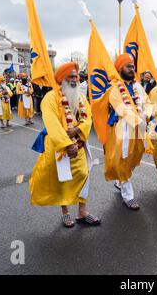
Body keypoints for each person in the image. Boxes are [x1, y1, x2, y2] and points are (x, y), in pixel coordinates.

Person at [29, 62, 100, 228]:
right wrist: (67, 144)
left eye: (76, 76)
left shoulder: (81, 97)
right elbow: (52, 123)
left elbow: (88, 118)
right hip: (59, 146)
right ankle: (65, 212)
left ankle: (82, 212)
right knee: (63, 178)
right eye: (71, 77)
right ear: (61, 79)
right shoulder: (50, 98)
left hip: (80, 143)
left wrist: (77, 130)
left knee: (83, 174)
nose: (76, 79)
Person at [105, 54, 154, 211]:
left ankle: (120, 181)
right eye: (129, 67)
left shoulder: (138, 86)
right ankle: (128, 196)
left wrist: (145, 115)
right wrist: (138, 120)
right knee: (124, 159)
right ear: (120, 69)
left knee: (136, 155)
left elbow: (147, 102)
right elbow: (121, 108)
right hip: (123, 130)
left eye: (133, 66)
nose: (132, 69)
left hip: (139, 128)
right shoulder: (114, 89)